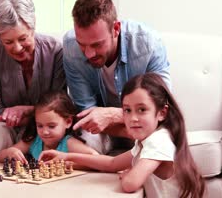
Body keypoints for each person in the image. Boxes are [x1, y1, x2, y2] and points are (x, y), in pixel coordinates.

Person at [40, 73, 205, 198]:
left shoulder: (159, 140)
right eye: (127, 110)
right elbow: (112, 163)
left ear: (162, 113)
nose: (133, 118)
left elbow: (130, 184)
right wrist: (66, 156)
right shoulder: (145, 141)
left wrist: (129, 173)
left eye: (142, 109)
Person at [63, 0, 170, 154]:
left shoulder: (149, 44)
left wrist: (113, 115)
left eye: (97, 45)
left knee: (159, 137)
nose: (88, 53)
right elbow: (88, 116)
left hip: (144, 126)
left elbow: (162, 109)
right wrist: (127, 128)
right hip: (105, 130)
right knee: (81, 141)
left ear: (116, 29)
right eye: (82, 44)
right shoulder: (71, 48)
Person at [0, 0, 66, 161]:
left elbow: (60, 106)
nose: (17, 48)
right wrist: (27, 116)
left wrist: (25, 111)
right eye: (8, 42)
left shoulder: (55, 50)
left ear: (33, 27)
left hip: (46, 126)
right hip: (6, 126)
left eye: (23, 38)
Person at [0, 91, 98, 164]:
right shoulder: (34, 141)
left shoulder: (69, 143)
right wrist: (10, 152)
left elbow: (95, 158)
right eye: (40, 125)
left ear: (68, 122)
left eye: (51, 126)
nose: (45, 132)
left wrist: (67, 163)